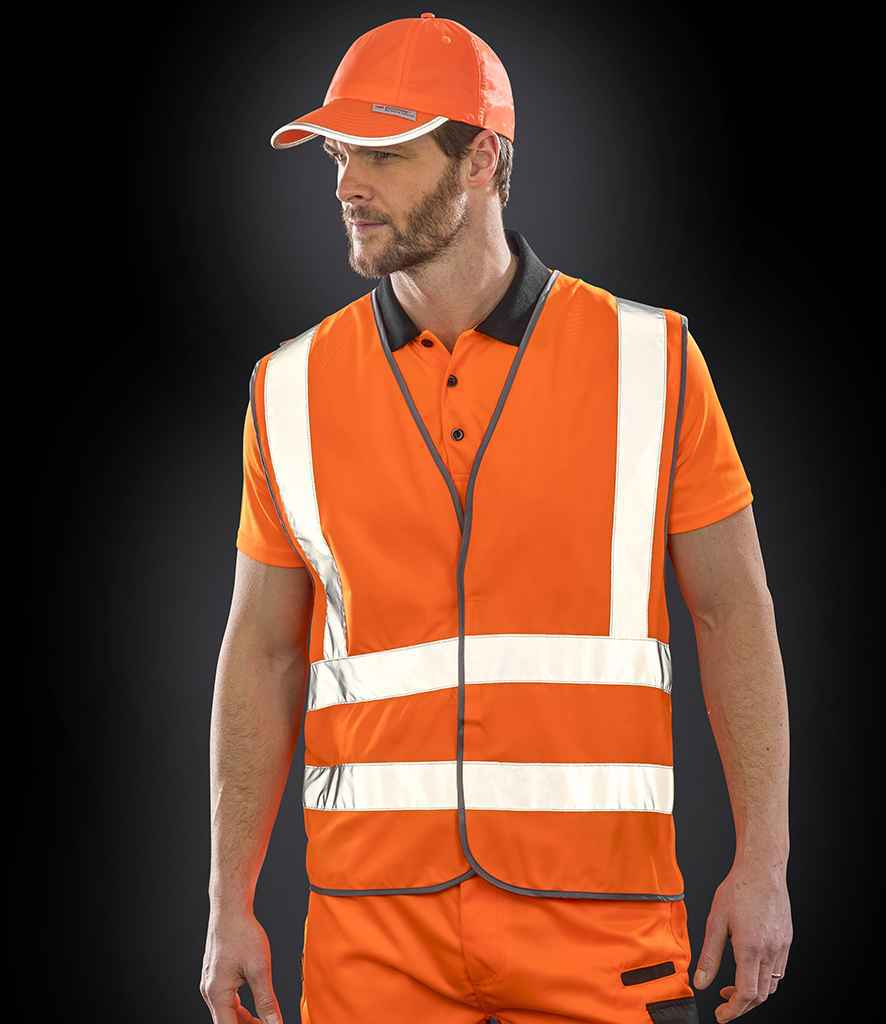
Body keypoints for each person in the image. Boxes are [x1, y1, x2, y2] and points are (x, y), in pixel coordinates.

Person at [201, 14, 791, 1024]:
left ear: (480, 160)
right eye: (339, 155)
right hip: (370, 933)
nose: (348, 185)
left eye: (384, 154)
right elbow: (259, 650)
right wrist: (228, 900)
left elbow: (732, 611)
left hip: (600, 922)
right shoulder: (286, 390)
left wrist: (763, 861)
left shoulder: (652, 362)